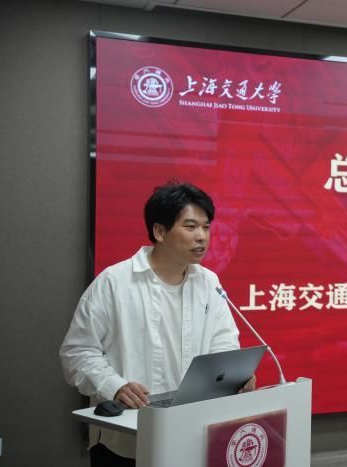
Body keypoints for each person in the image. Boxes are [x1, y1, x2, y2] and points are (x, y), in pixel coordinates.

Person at [60, 181, 254, 466]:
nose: (202, 237)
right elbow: (77, 353)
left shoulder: (208, 282)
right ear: (160, 231)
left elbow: (223, 342)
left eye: (206, 227)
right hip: (125, 436)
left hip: (191, 431)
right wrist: (115, 386)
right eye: (190, 227)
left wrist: (234, 375)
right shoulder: (114, 282)